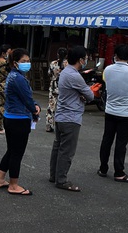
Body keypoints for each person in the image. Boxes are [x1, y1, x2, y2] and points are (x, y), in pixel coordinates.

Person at [0, 48, 40, 195]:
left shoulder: (13, 75)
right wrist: (35, 108)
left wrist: (33, 105)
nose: (27, 64)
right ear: (15, 63)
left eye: (28, 61)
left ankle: (0, 179)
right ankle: (13, 185)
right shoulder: (19, 78)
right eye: (24, 61)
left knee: (12, 150)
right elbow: (27, 98)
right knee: (17, 153)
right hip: (19, 119)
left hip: (10, 117)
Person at [97, 44, 128, 183]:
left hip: (110, 111)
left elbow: (107, 82)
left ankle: (103, 168)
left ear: (115, 55)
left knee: (107, 140)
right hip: (126, 114)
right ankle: (119, 172)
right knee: (121, 144)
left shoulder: (108, 69)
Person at [50, 46, 93, 192]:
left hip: (61, 115)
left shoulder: (65, 72)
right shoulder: (75, 76)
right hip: (71, 117)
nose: (87, 60)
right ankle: (61, 180)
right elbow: (90, 95)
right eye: (86, 58)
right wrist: (83, 94)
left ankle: (54, 175)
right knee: (67, 150)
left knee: (58, 146)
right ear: (81, 60)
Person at [46, 47, 68, 133]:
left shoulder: (53, 63)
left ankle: (49, 125)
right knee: (63, 107)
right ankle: (62, 127)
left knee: (51, 107)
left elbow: (49, 74)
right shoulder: (68, 64)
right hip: (64, 88)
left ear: (57, 54)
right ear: (66, 55)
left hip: (54, 87)